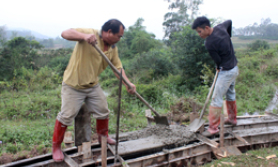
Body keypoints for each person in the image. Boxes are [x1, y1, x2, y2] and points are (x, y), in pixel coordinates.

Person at [52, 19, 136, 162]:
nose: (120, 39)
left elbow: (117, 68)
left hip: (92, 86)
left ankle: (103, 136)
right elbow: (65, 33)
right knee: (66, 116)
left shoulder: (112, 48)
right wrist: (83, 37)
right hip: (74, 86)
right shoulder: (90, 34)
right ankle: (56, 147)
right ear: (109, 32)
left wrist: (127, 83)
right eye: (119, 36)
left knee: (103, 110)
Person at [192, 16, 239, 136]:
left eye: (199, 31)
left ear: (206, 28)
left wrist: (218, 66)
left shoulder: (209, 43)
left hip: (226, 71)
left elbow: (217, 61)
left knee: (216, 98)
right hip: (234, 68)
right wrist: (229, 36)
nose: (199, 34)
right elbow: (229, 21)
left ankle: (213, 128)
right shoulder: (221, 28)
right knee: (230, 93)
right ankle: (232, 119)